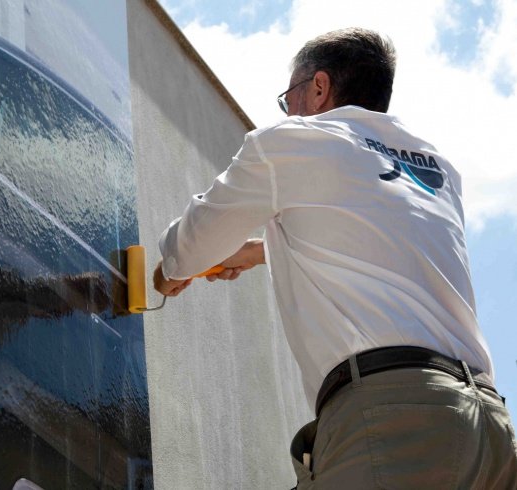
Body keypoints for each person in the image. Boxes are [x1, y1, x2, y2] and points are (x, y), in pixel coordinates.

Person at [153, 27, 517, 488]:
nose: (290, 112)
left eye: (290, 98)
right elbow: (382, 240)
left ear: (319, 86)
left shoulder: (295, 141)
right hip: (487, 427)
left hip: (394, 419)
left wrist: (166, 272)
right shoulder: (434, 166)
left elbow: (193, 244)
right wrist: (263, 252)